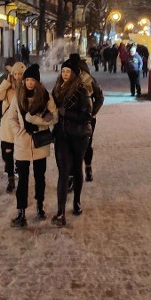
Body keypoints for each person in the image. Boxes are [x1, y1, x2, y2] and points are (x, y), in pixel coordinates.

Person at [6, 64, 57, 227]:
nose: (29, 83)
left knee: (39, 177)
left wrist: (36, 122)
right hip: (22, 144)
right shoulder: (18, 96)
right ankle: (21, 212)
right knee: (22, 180)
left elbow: (53, 118)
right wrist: (18, 131)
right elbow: (11, 117)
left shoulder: (45, 97)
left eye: (32, 80)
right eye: (27, 79)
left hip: (40, 143)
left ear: (37, 81)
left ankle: (40, 207)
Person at [51, 59, 94, 227]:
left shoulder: (82, 90)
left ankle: (76, 201)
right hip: (61, 136)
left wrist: (65, 113)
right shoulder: (57, 89)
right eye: (63, 71)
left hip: (78, 136)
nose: (65, 74)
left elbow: (86, 116)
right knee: (63, 173)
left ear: (74, 74)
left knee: (76, 169)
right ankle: (60, 211)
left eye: (68, 72)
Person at [68, 53, 104, 183]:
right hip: (71, 118)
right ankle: (72, 174)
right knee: (71, 146)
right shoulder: (68, 77)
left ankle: (87, 168)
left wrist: (92, 112)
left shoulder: (87, 78)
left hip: (87, 118)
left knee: (86, 144)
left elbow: (99, 96)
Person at [0, 60, 24, 193]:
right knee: (7, 154)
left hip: (21, 127)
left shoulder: (27, 86)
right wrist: (6, 83)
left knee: (20, 155)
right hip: (7, 127)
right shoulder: (7, 87)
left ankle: (18, 176)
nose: (18, 76)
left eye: (20, 74)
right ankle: (11, 178)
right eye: (15, 74)